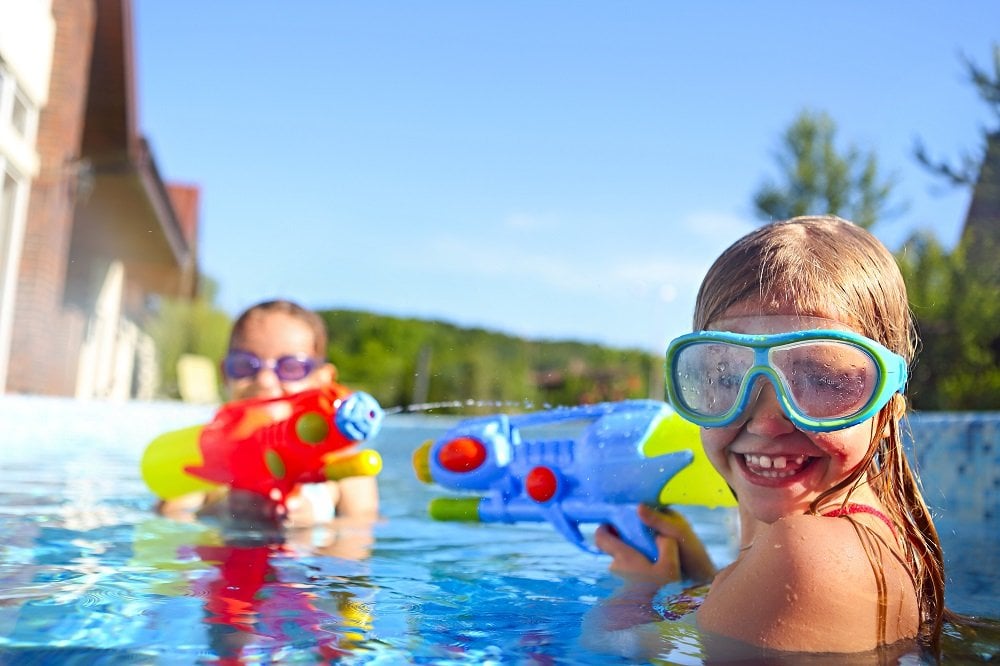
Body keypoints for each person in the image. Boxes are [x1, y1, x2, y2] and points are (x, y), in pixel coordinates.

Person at [592, 216, 946, 658]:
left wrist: (638, 592)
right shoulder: (871, 535)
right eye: (725, 375)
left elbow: (614, 652)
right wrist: (701, 578)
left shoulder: (803, 558)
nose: (765, 422)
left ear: (888, 404)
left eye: (821, 380)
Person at [157, 299, 380, 525]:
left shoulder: (342, 463)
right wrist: (222, 511)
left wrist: (314, 522)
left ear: (322, 380)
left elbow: (361, 532)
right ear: (225, 374)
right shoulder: (208, 452)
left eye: (290, 368)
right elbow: (169, 515)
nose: (264, 381)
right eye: (245, 365)